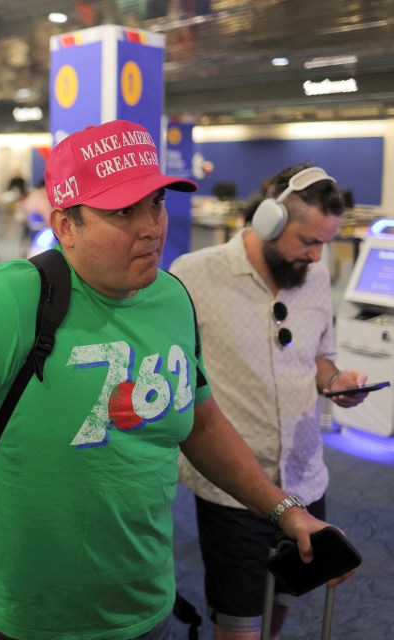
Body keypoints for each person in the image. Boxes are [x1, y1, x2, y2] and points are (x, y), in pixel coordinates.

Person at [0, 120, 354, 640]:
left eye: (156, 204)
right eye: (122, 211)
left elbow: (200, 423)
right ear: (66, 225)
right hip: (34, 620)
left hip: (148, 604)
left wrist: (284, 510)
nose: (152, 226)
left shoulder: (171, 297)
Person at [170, 162, 368, 640]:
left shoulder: (314, 279)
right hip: (236, 486)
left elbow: (320, 358)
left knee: (285, 595)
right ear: (268, 221)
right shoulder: (195, 275)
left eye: (326, 242)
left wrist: (339, 381)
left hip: (305, 474)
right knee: (239, 621)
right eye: (307, 241)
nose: (318, 257)